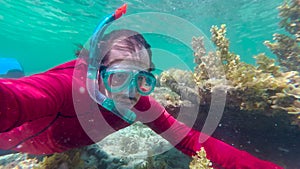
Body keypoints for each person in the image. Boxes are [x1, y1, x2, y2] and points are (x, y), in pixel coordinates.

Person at [0, 5, 283, 169]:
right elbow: (14, 99)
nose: (131, 92)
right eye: (120, 77)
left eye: (143, 79)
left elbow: (191, 141)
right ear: (96, 72)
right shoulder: (62, 88)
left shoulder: (137, 102)